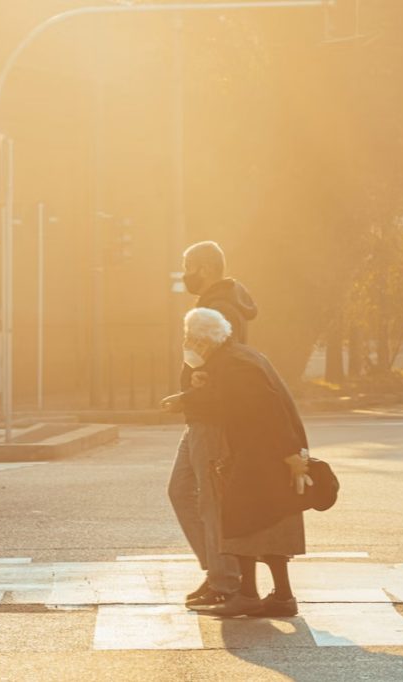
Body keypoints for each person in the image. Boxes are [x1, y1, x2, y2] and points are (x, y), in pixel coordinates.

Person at [166, 308, 310, 618]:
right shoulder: (232, 358)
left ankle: (247, 593)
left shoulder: (234, 365)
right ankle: (276, 595)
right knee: (263, 521)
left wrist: (290, 453)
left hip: (259, 451)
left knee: (243, 518)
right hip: (261, 449)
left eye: (191, 338)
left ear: (205, 341)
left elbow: (266, 406)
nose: (187, 343)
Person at [166, 241, 258, 610]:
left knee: (209, 498)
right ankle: (217, 572)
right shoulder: (223, 304)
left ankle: (225, 580)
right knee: (181, 490)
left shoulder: (219, 308)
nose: (185, 274)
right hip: (200, 416)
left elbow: (217, 368)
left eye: (188, 266)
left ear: (204, 268)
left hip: (212, 417)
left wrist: (191, 396)